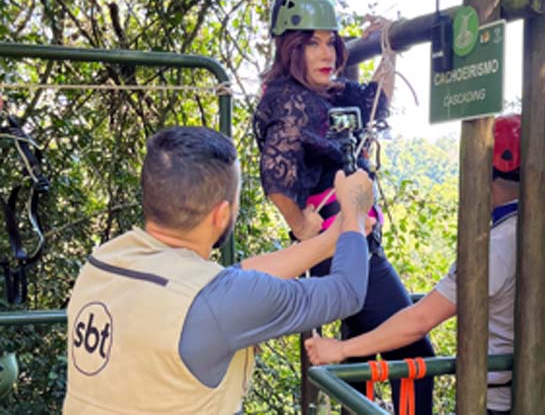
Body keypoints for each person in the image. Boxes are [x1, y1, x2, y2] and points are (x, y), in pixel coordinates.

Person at [63, 126, 375, 414]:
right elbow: (346, 292)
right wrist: (355, 213)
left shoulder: (104, 260)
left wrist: (332, 239)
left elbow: (229, 280)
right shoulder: (216, 302)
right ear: (222, 213)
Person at [305, 114, 545, 414]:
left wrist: (341, 349)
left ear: (484, 171)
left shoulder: (494, 246)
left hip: (509, 403)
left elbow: (420, 320)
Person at [252, 0, 435, 413]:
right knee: (415, 355)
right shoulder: (291, 100)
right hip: (342, 248)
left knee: (360, 349)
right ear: (290, 49)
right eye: (312, 43)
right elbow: (275, 176)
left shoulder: (322, 93)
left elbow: (375, 105)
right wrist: (302, 225)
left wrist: (388, 49)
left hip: (350, 245)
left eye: (330, 42)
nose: (327, 54)